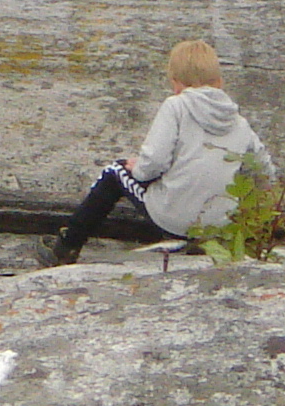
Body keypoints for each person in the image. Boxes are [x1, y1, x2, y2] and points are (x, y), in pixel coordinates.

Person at [42, 38, 266, 265]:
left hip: (174, 220)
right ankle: (201, 243)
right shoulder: (239, 122)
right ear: (220, 82)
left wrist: (137, 168)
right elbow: (264, 171)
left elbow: (154, 163)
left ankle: (66, 247)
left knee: (114, 173)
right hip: (218, 226)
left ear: (176, 84)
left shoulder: (176, 107)